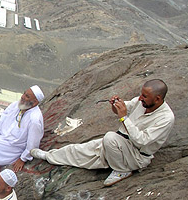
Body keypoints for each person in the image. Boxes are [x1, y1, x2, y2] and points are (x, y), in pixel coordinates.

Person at [31, 79, 175, 186]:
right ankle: (48, 156)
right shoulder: (142, 102)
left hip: (136, 155)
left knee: (109, 138)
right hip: (119, 144)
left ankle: (122, 169)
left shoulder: (166, 118)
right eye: (141, 94)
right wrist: (116, 106)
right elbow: (124, 108)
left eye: (145, 96)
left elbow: (142, 141)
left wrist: (123, 117)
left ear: (157, 99)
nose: (140, 98)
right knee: (78, 150)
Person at [0, 85, 44, 185]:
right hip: (3, 135)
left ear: (35, 102)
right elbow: (3, 119)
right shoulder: (18, 104)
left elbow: (33, 143)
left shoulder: (34, 119)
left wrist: (22, 159)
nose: (23, 97)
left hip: (13, 146)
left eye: (27, 96)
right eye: (24, 93)